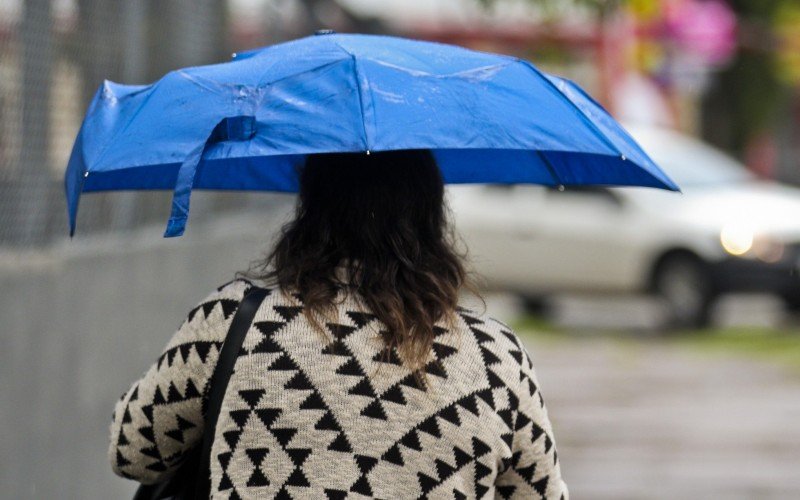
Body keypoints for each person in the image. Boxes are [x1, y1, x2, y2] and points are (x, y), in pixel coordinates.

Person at [108, 149, 568, 499]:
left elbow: (132, 450)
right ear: (430, 217)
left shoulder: (233, 324)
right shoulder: (495, 358)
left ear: (311, 211)